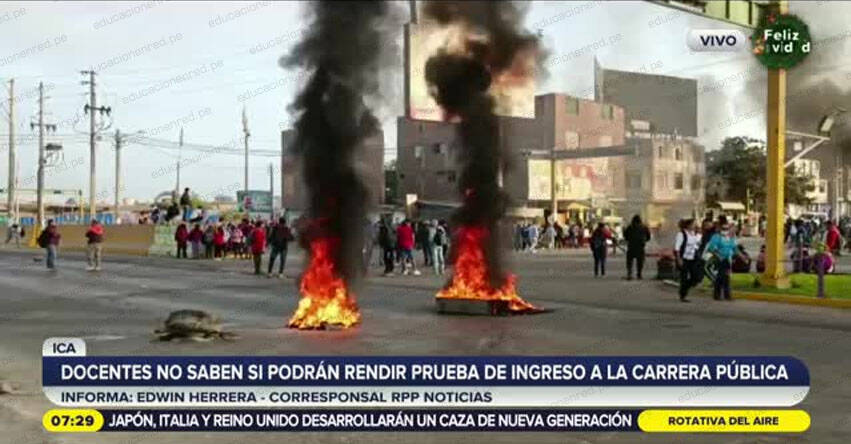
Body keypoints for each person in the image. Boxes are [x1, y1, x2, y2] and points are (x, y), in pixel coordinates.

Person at [706, 222, 738, 301]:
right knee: (723, 277)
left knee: (723, 277)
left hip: (727, 259)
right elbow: (711, 248)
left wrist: (739, 256)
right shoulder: (717, 237)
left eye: (727, 229)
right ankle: (725, 295)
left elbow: (734, 248)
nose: (725, 230)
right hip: (719, 259)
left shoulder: (730, 238)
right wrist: (718, 255)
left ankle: (719, 295)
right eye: (724, 229)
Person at [674, 218, 702, 303]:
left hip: (693, 258)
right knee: (684, 277)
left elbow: (697, 244)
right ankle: (683, 294)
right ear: (688, 225)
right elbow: (677, 248)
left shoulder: (694, 234)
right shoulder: (682, 234)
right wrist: (679, 259)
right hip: (684, 258)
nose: (695, 226)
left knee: (696, 277)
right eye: (693, 224)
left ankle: (685, 288)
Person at [623, 215, 651, 280]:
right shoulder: (644, 227)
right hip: (640, 247)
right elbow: (648, 237)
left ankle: (629, 274)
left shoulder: (630, 227)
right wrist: (644, 240)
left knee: (629, 261)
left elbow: (626, 237)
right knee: (640, 261)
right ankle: (639, 274)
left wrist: (630, 239)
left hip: (631, 246)